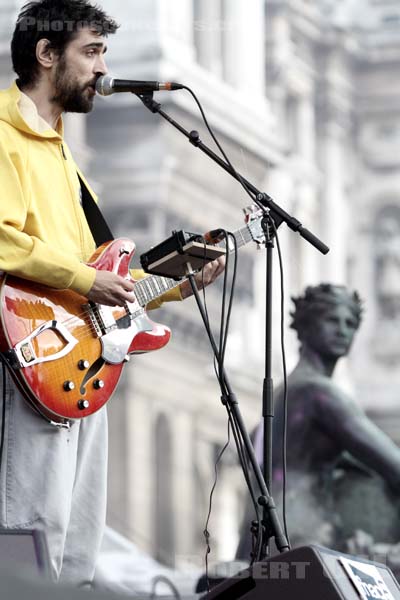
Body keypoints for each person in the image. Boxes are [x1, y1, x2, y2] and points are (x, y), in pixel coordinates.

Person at [0, 0, 224, 588]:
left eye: (105, 53)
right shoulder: (2, 132)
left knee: (77, 543)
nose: (103, 69)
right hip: (28, 358)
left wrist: (173, 286)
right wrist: (84, 279)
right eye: (91, 52)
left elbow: (94, 277)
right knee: (30, 528)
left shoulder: (64, 153)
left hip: (78, 365)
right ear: (46, 55)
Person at [237, 283, 400, 559]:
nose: (343, 330)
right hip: (306, 535)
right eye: (331, 319)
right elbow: (395, 466)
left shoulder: (281, 396)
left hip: (258, 539)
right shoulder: (320, 394)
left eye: (350, 323)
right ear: (305, 328)